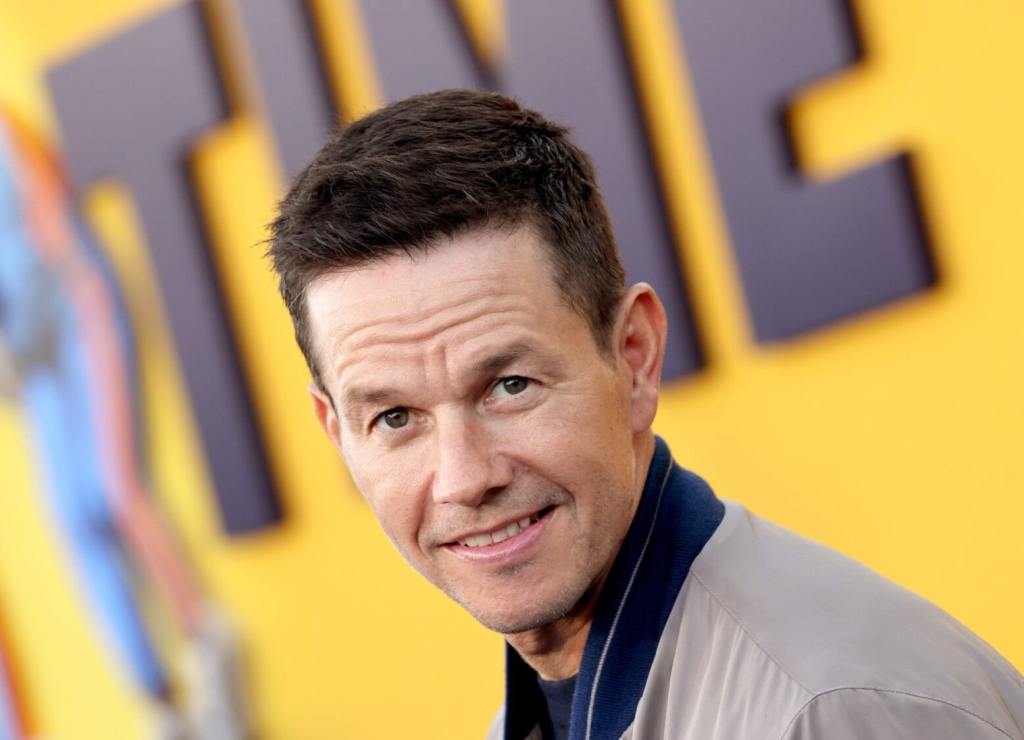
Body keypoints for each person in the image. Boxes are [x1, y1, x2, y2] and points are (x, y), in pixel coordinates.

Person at [267, 89, 1024, 739]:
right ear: (338, 435)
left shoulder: (824, 712)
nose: (464, 479)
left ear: (633, 356)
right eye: (396, 418)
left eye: (510, 386)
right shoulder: (537, 709)